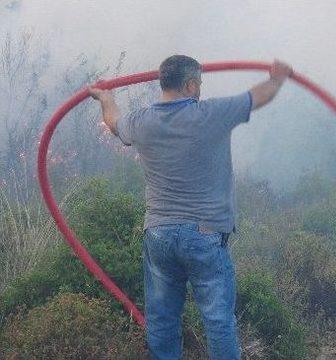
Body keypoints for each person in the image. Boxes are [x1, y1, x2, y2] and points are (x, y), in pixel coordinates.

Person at [88, 55, 292, 360]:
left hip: (158, 235)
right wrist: (277, 79)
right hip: (204, 235)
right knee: (218, 320)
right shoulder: (210, 114)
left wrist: (106, 97)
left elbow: (113, 121)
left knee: (161, 319)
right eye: (199, 84)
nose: (200, 90)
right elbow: (257, 97)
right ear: (190, 84)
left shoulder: (142, 122)